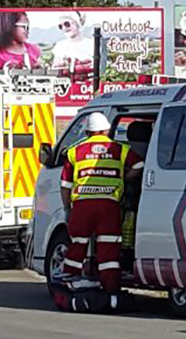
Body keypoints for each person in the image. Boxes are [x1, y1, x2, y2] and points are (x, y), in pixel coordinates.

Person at [60, 111, 145, 310]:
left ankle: (68, 282)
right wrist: (124, 178)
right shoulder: (119, 148)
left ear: (87, 132)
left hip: (82, 206)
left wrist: (67, 208)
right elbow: (139, 165)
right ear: (107, 130)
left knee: (77, 245)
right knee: (108, 249)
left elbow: (65, 184)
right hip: (109, 206)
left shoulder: (74, 151)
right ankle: (111, 290)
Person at [50, 11, 95, 77]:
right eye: (60, 26)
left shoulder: (91, 44)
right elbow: (56, 67)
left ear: (77, 24)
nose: (64, 28)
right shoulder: (59, 46)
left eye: (67, 24)